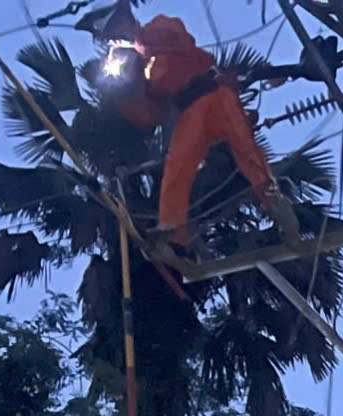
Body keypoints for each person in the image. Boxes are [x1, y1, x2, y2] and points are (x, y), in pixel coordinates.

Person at [97, 12, 300, 248]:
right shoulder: (142, 69)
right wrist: (126, 92)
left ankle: (275, 203)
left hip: (214, 94)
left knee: (246, 151)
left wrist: (139, 41)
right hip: (190, 112)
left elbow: (181, 39)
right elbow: (150, 117)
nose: (116, 39)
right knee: (177, 165)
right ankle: (173, 233)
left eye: (116, 32)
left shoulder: (158, 28)